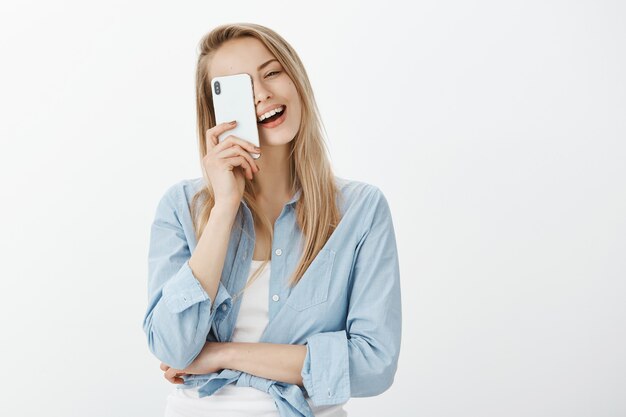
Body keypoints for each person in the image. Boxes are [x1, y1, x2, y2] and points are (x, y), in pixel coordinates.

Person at [142, 22, 402, 417]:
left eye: (272, 72)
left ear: (296, 79)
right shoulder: (181, 207)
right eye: (239, 88)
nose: (262, 94)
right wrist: (225, 208)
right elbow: (173, 348)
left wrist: (221, 354)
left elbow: (373, 365)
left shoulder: (361, 210)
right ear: (216, 112)